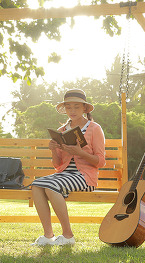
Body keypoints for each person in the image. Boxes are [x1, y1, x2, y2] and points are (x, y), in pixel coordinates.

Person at [31, 89, 106, 246]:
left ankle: (67, 236)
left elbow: (100, 162)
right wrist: (53, 150)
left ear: (84, 109)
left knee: (51, 186)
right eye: (68, 107)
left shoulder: (94, 128)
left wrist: (80, 152)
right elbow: (58, 165)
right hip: (64, 175)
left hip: (85, 177)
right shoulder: (62, 131)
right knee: (36, 185)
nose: (72, 111)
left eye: (76, 107)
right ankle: (48, 236)